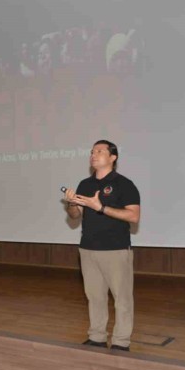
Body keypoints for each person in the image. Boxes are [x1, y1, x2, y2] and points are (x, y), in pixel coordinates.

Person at [64, 140, 140, 351]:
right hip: (88, 248)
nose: (93, 154)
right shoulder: (85, 184)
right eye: (92, 151)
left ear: (113, 157)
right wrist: (71, 204)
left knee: (122, 299)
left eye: (99, 151)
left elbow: (134, 216)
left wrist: (101, 207)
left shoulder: (124, 184)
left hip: (115, 249)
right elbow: (75, 215)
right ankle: (97, 336)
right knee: (94, 297)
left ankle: (121, 341)